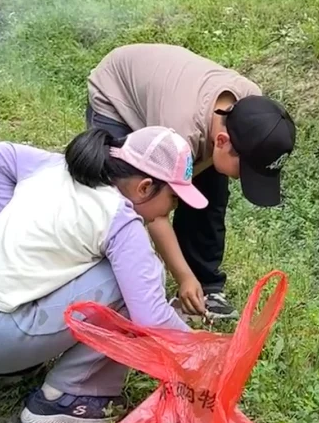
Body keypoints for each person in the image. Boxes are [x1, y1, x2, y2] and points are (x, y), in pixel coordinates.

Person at [0, 126, 204, 423]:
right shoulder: (121, 220)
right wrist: (201, 351)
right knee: (133, 279)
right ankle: (69, 394)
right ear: (144, 187)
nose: (171, 209)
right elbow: (151, 318)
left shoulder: (55, 167)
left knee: (101, 267)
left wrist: (19, 228)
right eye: (173, 199)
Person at [86, 44, 296, 320]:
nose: (243, 177)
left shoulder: (252, 106)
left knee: (210, 193)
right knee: (126, 201)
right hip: (118, 93)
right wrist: (183, 276)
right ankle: (113, 284)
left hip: (174, 99)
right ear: (222, 141)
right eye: (245, 170)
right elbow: (155, 210)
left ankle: (206, 287)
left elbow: (207, 184)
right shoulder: (180, 132)